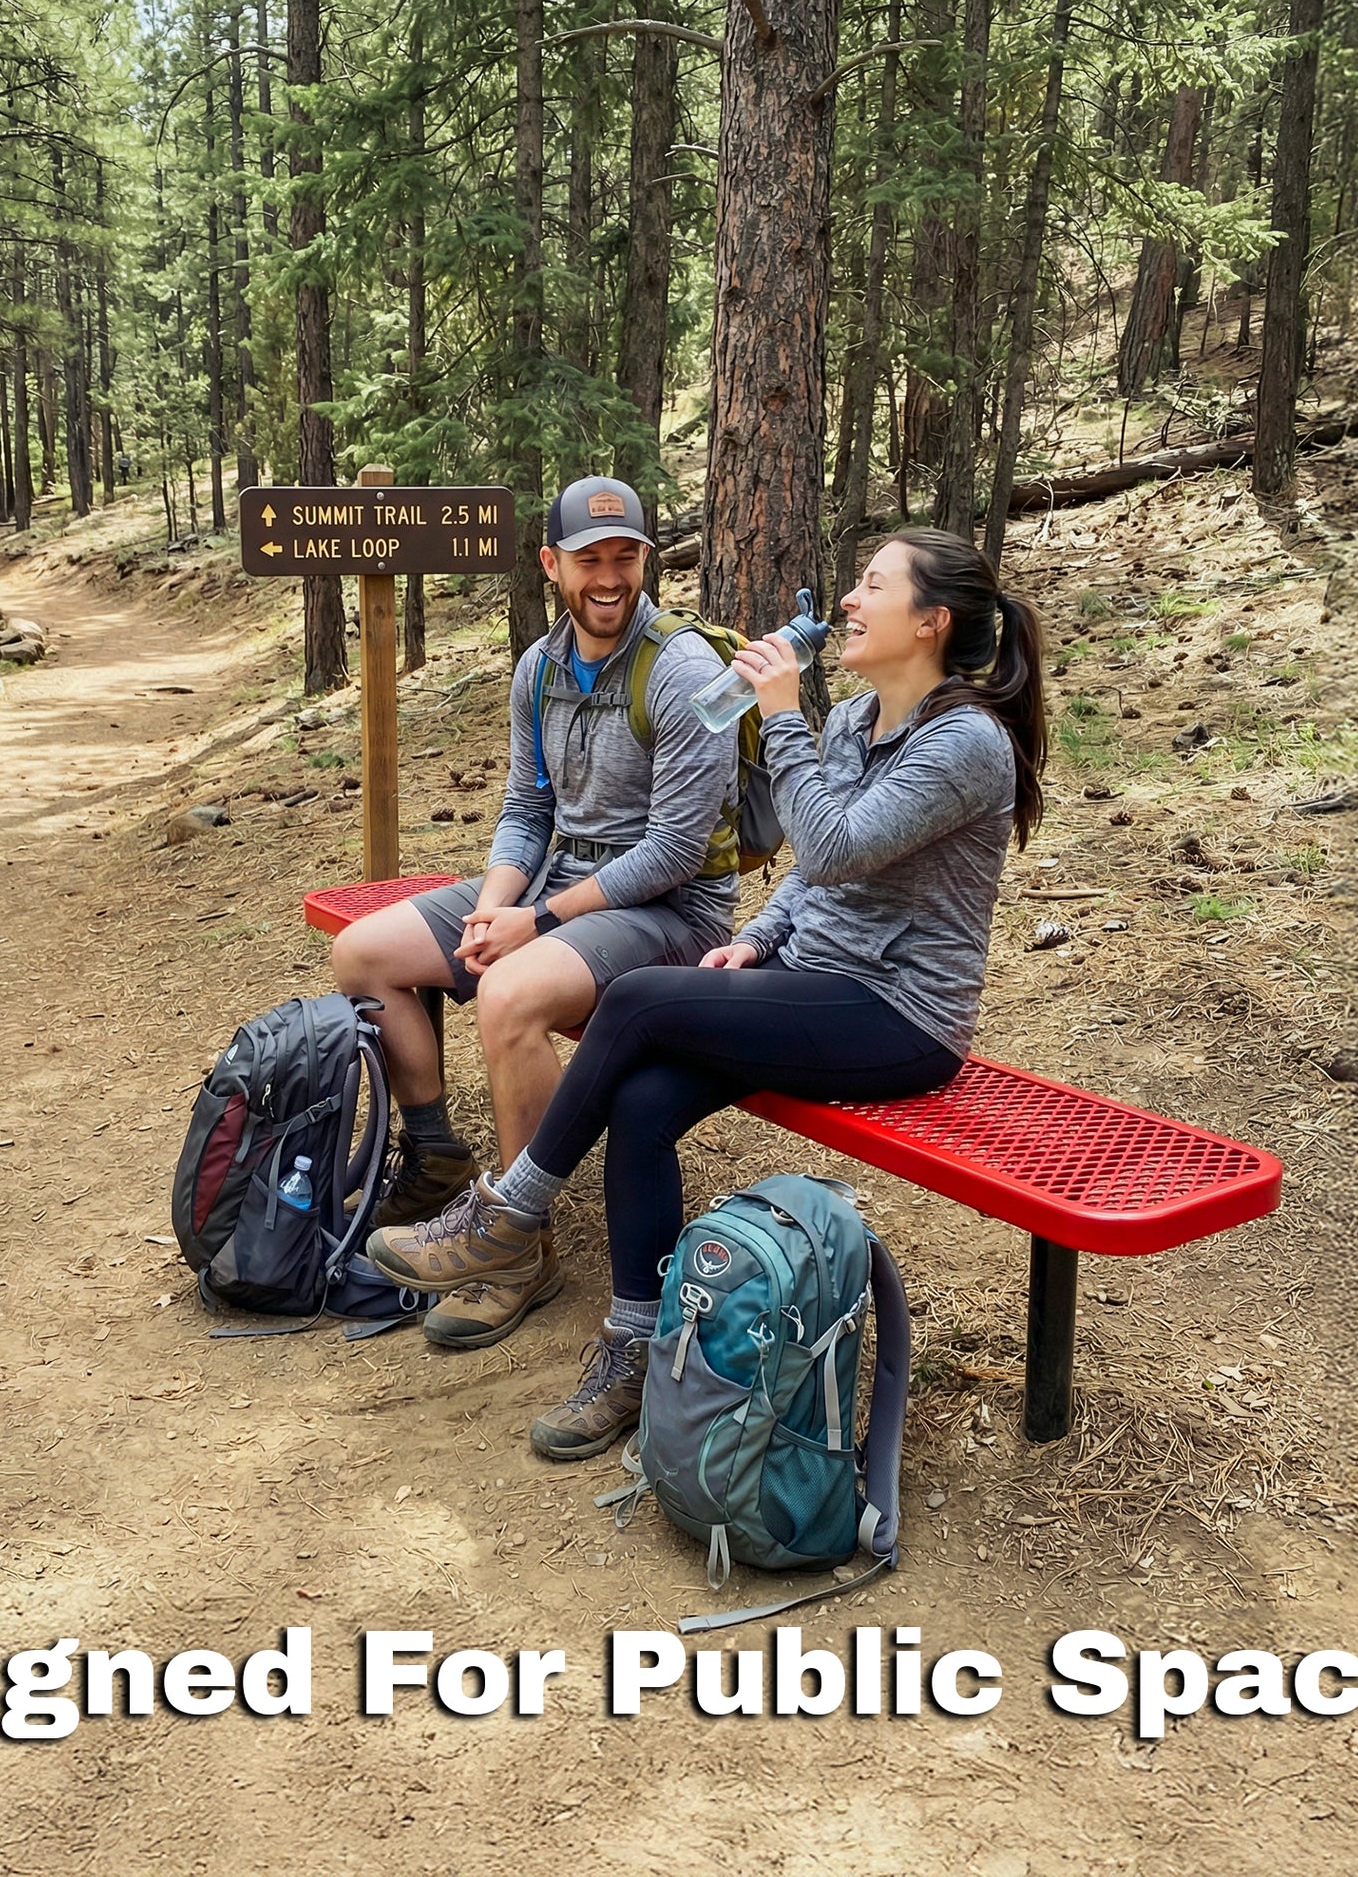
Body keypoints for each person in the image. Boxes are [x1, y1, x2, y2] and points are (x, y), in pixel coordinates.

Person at [367, 528, 1046, 1457]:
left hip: (899, 1015)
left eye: (871, 587)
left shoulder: (965, 741)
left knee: (640, 1000)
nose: (847, 601)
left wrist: (781, 718)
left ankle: (511, 1211)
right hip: (809, 983)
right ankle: (635, 1347)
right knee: (643, 1101)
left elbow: (837, 843)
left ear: (931, 622)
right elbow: (816, 878)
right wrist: (757, 941)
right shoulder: (855, 721)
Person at [335, 475, 740, 1349]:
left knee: (510, 994)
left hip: (672, 914)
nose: (609, 577)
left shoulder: (682, 670)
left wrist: (537, 923)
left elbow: (673, 850)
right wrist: (491, 908)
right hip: (554, 890)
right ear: (552, 564)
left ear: (645, 561)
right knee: (363, 954)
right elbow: (526, 810)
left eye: (625, 557)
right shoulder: (539, 668)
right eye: (589, 559)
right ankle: (439, 1154)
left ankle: (518, 1248)